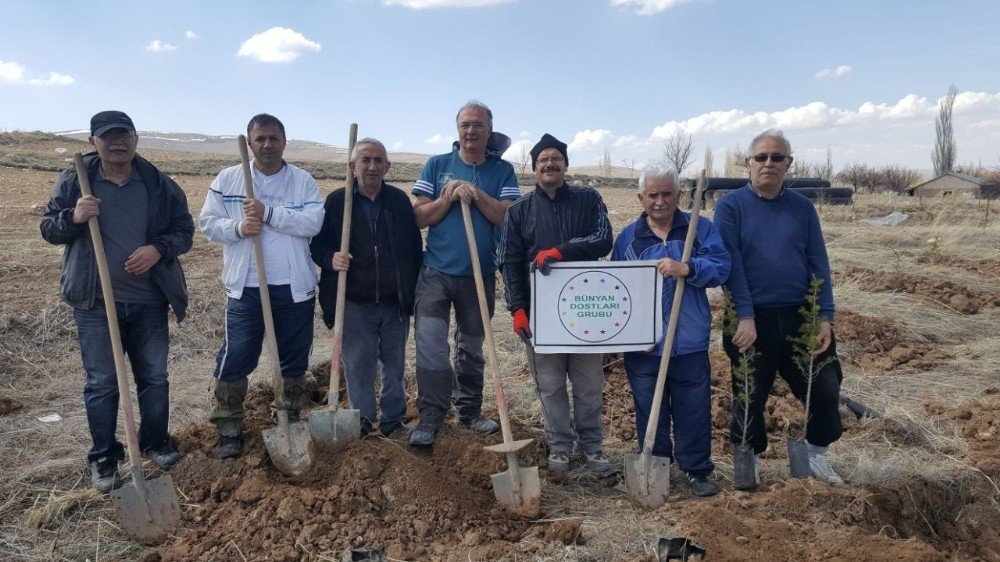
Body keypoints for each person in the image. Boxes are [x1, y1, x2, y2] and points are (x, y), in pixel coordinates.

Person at [40, 110, 193, 492]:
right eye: (108, 136)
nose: (117, 142)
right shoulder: (77, 181)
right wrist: (74, 217)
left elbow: (184, 232)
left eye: (124, 134)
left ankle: (156, 442)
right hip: (95, 303)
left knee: (154, 378)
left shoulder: (158, 184)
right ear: (94, 142)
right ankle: (105, 457)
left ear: (136, 139)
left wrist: (158, 250)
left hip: (149, 301)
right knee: (103, 383)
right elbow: (48, 228)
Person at [713, 128, 845, 485]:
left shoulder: (801, 208)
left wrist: (824, 317)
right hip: (751, 319)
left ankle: (817, 454)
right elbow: (731, 263)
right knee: (750, 395)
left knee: (825, 385)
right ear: (748, 163)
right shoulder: (730, 206)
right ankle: (750, 459)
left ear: (789, 163)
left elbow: (818, 260)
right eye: (761, 157)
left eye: (777, 157)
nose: (768, 164)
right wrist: (745, 316)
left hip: (800, 315)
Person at [199, 114, 324, 459]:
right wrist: (240, 227)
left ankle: (288, 416)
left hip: (293, 287)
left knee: (294, 358)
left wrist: (269, 214)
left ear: (284, 141)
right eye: (260, 139)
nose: (267, 145)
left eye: (274, 138)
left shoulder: (302, 181)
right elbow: (207, 224)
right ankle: (228, 424)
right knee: (238, 354)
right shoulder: (228, 179)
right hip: (247, 287)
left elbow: (313, 222)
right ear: (250, 143)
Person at [611, 165, 730, 496]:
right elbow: (616, 289)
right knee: (650, 411)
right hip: (645, 346)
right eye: (653, 195)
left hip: (689, 342)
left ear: (679, 196)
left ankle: (697, 470)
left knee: (693, 409)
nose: (660, 201)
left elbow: (722, 268)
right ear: (641, 198)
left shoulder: (699, 230)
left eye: (667, 194)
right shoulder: (629, 240)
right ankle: (656, 467)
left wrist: (687, 268)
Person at [500, 133, 615, 475]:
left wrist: (561, 252)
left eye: (555, 158)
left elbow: (602, 239)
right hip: (541, 316)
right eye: (542, 160)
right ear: (534, 168)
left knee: (589, 384)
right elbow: (508, 260)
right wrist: (517, 308)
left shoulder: (588, 199)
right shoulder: (519, 211)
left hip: (585, 312)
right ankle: (560, 447)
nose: (549, 164)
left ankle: (593, 447)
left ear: (565, 164)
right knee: (549, 386)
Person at [408, 100, 521, 446]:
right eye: (465, 125)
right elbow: (419, 217)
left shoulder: (502, 172)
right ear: (457, 130)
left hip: (480, 274)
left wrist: (475, 193)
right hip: (436, 273)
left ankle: (469, 411)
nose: (471, 131)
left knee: (472, 346)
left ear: (490, 131)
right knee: (430, 345)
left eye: (479, 125)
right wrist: (450, 198)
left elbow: (506, 216)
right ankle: (430, 416)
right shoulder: (437, 165)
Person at [310, 138, 422, 437]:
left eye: (378, 161)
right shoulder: (337, 202)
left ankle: (393, 421)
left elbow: (413, 249)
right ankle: (363, 423)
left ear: (387, 167)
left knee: (394, 367)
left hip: (393, 303)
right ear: (352, 166)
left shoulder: (398, 201)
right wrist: (331, 258)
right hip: (354, 302)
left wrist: (411, 293)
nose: (372, 166)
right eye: (365, 160)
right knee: (359, 368)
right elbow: (318, 247)